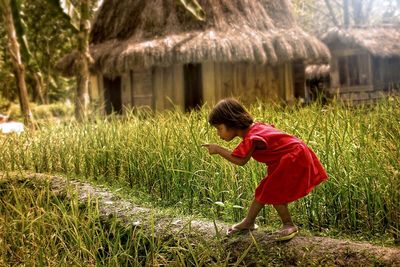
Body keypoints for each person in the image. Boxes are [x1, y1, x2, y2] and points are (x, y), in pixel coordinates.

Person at [202, 98, 328, 240]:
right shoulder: (255, 130)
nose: (219, 134)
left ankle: (289, 224)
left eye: (219, 129)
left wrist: (218, 149)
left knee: (273, 190)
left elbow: (241, 160)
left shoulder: (251, 137)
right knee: (264, 189)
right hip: (292, 155)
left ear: (231, 123)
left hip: (293, 157)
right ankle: (248, 222)